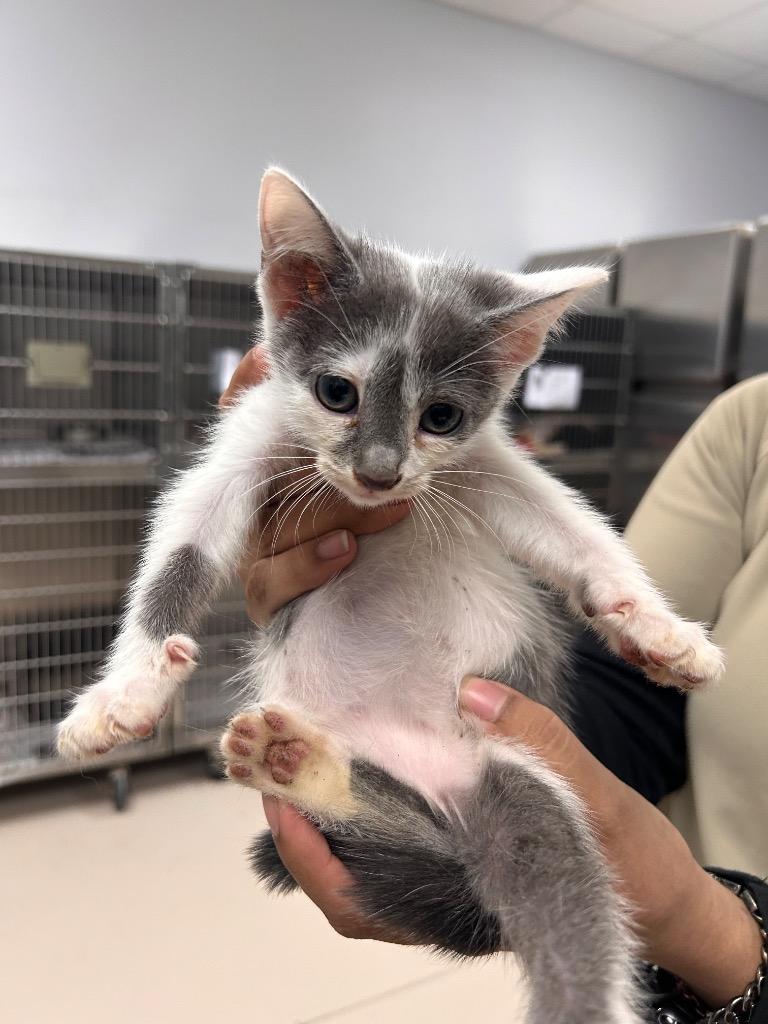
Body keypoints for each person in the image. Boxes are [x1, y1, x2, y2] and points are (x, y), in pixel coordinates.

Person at [221, 351, 768, 1022]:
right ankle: (382, 804)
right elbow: (629, 692)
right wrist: (379, 651)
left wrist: (700, 921)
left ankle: (381, 814)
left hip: (690, 939)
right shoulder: (751, 423)